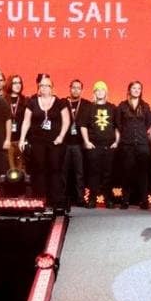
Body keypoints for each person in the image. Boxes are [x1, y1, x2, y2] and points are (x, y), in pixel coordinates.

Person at [19, 74, 70, 208]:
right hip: (37, 142)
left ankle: (55, 200)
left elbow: (66, 121)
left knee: (55, 170)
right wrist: (22, 138)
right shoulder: (32, 102)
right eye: (41, 86)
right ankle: (40, 199)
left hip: (55, 142)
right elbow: (26, 121)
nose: (44, 88)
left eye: (47, 86)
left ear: (52, 88)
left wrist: (61, 136)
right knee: (39, 170)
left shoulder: (60, 102)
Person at [80, 80, 119, 208]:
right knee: (93, 173)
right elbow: (83, 126)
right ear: (94, 92)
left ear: (106, 92)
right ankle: (92, 199)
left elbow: (117, 126)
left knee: (108, 173)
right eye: (98, 90)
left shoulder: (112, 108)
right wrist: (86, 141)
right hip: (94, 145)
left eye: (103, 90)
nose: (100, 92)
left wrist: (116, 142)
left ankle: (108, 199)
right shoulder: (89, 108)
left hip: (109, 145)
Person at [116, 81, 151, 209]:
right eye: (134, 88)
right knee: (126, 173)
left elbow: (148, 124)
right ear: (129, 90)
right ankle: (125, 200)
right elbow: (118, 124)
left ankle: (144, 201)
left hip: (142, 144)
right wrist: (127, 134)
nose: (136, 90)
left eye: (139, 88)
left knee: (143, 173)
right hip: (127, 144)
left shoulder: (145, 106)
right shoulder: (122, 106)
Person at [63, 79, 88, 207]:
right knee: (63, 172)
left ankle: (80, 198)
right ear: (69, 88)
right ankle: (61, 198)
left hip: (79, 144)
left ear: (82, 90)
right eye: (73, 87)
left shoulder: (86, 104)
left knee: (79, 173)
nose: (76, 90)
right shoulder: (62, 103)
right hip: (65, 143)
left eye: (78, 88)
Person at [6, 75, 27, 172]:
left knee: (21, 170)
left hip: (21, 140)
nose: (17, 85)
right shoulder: (3, 100)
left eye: (19, 83)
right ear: (10, 84)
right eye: (14, 83)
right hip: (8, 141)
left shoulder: (25, 100)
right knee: (10, 170)